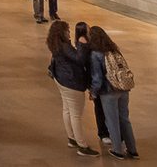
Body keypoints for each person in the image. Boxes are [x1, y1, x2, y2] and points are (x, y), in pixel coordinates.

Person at [46, 20, 99, 156]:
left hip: (61, 80)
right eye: (67, 30)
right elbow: (80, 59)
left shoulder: (56, 45)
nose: (69, 33)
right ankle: (82, 146)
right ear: (61, 33)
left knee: (67, 110)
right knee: (76, 114)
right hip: (71, 82)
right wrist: (82, 44)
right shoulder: (64, 46)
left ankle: (72, 138)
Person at [86, 26, 139, 159]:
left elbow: (97, 78)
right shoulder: (114, 49)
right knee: (125, 119)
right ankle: (132, 150)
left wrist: (93, 92)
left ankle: (117, 150)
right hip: (123, 89)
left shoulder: (95, 54)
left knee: (112, 120)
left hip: (108, 91)